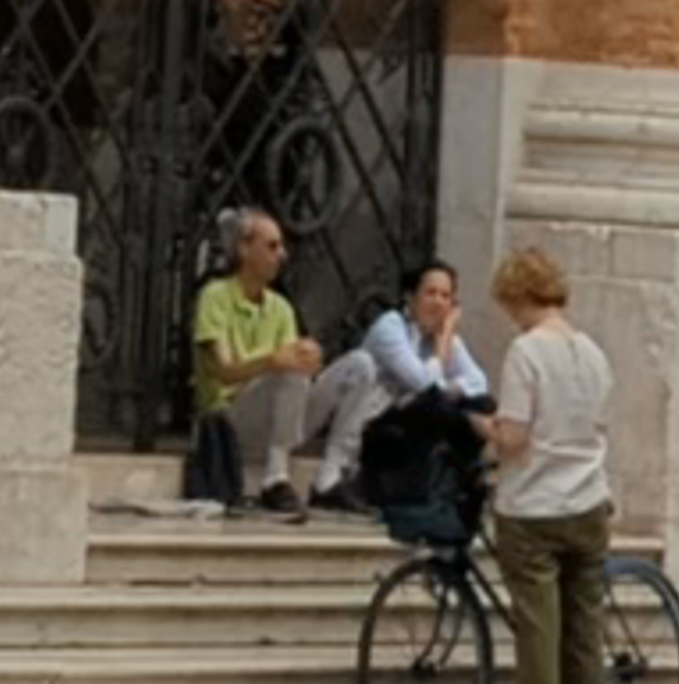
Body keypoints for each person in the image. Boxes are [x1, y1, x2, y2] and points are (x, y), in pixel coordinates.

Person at [483, 243, 616, 684]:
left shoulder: (527, 352)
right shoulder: (593, 352)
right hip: (588, 501)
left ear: (518, 296)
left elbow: (514, 436)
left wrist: (480, 428)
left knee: (539, 634)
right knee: (584, 633)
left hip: (533, 505)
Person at [304, 259, 491, 521]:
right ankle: (332, 478)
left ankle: (451, 489)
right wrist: (444, 343)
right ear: (410, 298)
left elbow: (479, 382)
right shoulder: (391, 327)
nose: (438, 302)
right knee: (369, 367)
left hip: (403, 418)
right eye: (430, 293)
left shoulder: (443, 339)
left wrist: (451, 385)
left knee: (481, 404)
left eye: (446, 296)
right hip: (368, 423)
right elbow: (423, 384)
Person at [189, 208, 324, 515]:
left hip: (277, 419)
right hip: (230, 418)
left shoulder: (281, 308)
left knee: (358, 368)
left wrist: (310, 359)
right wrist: (272, 361)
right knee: (287, 368)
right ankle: (276, 478)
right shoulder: (215, 296)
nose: (282, 255)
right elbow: (223, 372)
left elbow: (292, 373)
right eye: (272, 246)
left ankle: (333, 475)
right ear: (244, 248)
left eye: (281, 246)